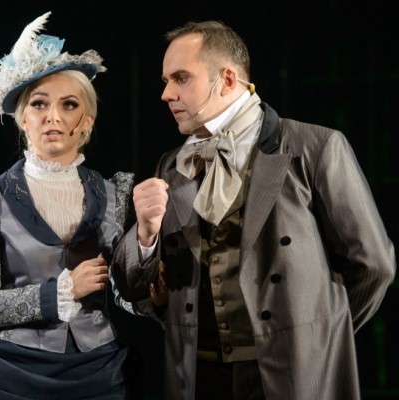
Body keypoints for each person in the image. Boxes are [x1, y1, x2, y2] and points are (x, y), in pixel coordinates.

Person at [110, 19, 396, 400]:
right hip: (197, 377)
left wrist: (317, 339)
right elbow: (134, 290)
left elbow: (374, 266)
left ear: (227, 79)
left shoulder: (314, 148)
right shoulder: (172, 166)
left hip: (289, 377)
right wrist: (145, 236)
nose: (166, 94)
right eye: (165, 81)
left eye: (180, 78)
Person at [0, 11, 138, 400]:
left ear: (87, 121)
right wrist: (59, 292)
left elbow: (132, 300)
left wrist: (150, 249)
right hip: (10, 375)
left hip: (99, 374)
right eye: (40, 104)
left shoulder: (117, 193)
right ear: (23, 119)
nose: (53, 117)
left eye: (69, 105)